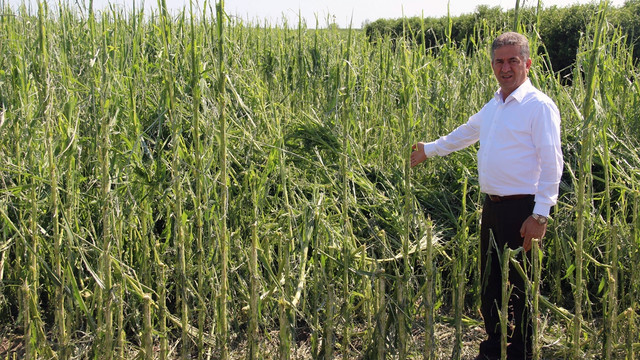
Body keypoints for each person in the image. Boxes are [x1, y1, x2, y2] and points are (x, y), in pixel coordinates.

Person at [410, 32, 563, 360]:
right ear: (492, 65)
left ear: (527, 63)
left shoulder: (539, 107)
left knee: (520, 285)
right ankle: (494, 348)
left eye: (513, 60)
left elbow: (552, 163)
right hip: (492, 208)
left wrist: (540, 215)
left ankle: (521, 351)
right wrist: (430, 150)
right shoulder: (495, 104)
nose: (505, 68)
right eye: (499, 61)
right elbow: (467, 132)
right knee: (491, 281)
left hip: (523, 210)